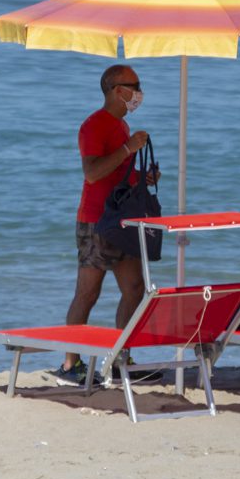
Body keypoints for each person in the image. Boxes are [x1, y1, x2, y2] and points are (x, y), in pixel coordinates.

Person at [52, 63, 160, 386]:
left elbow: (118, 174)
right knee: (88, 293)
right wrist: (128, 149)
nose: (139, 91)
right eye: (135, 85)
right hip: (96, 221)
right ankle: (70, 365)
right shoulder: (94, 126)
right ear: (117, 90)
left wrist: (144, 176)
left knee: (135, 289)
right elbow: (93, 173)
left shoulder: (123, 127)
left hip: (122, 221)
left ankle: (119, 360)